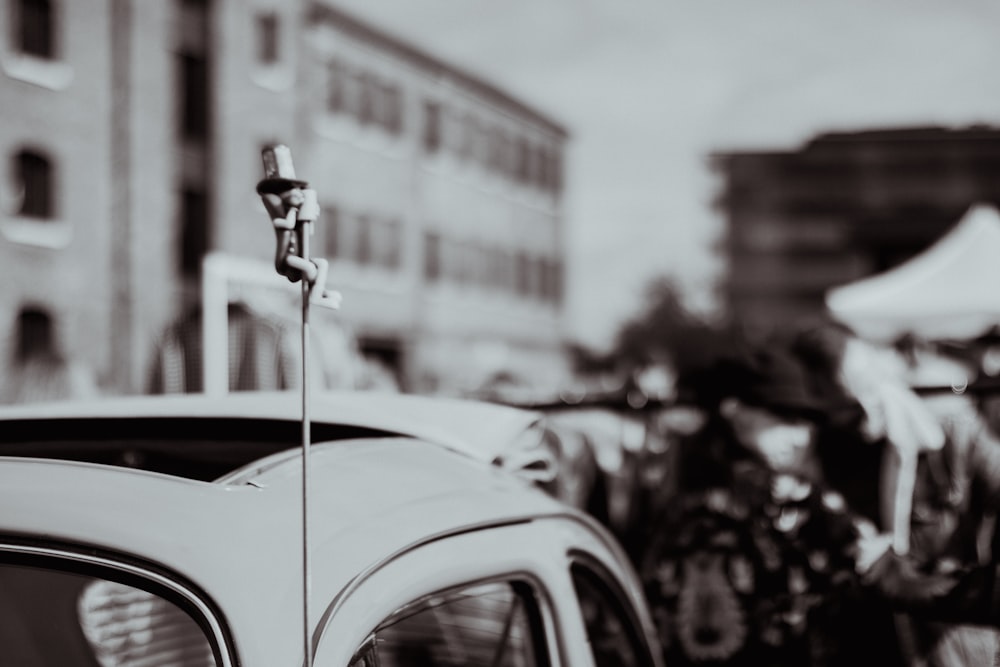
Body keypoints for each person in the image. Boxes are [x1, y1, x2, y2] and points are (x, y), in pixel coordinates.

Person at [642, 342, 902, 667]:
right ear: (734, 412)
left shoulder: (802, 498)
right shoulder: (704, 517)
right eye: (785, 418)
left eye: (808, 423)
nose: (801, 437)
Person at [790, 319, 1000, 667]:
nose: (870, 405)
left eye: (872, 383)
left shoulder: (950, 436)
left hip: (952, 651)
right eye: (850, 400)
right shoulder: (811, 467)